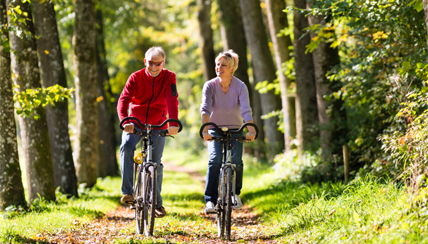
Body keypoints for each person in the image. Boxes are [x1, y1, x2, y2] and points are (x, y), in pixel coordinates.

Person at [117, 46, 179, 218]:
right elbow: (124, 100)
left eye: (157, 64)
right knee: (127, 146)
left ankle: (157, 203)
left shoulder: (169, 77)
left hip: (158, 123)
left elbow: (172, 100)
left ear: (163, 63)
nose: (153, 67)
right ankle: (128, 191)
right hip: (134, 122)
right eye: (150, 63)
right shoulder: (135, 77)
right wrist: (125, 120)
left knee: (156, 164)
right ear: (145, 61)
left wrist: (173, 122)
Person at [200, 50, 256, 213]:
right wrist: (205, 129)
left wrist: (250, 130)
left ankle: (235, 194)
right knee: (215, 160)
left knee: (237, 161)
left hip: (236, 129)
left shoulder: (240, 86)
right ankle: (210, 200)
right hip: (215, 130)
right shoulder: (210, 85)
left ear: (232, 69)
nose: (219, 67)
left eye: (223, 65)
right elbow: (205, 109)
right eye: (218, 64)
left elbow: (246, 110)